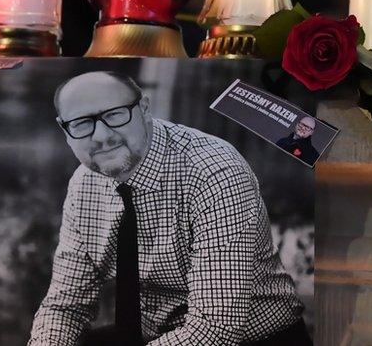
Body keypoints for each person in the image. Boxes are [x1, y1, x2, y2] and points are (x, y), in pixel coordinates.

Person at [29, 71, 312, 346]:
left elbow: (216, 329)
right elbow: (65, 307)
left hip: (253, 339)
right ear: (64, 130)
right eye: (81, 123)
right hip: (153, 336)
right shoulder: (84, 183)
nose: (101, 136)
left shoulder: (213, 170)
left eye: (114, 115)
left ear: (143, 108)